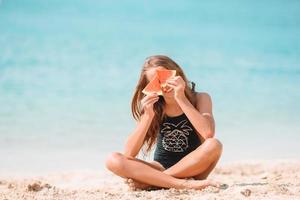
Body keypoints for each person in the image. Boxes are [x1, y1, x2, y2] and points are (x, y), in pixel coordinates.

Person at [105, 55, 223, 191]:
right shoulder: (155, 106)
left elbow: (208, 133)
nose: (164, 85)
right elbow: (129, 153)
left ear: (176, 73)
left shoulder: (201, 98)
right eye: (156, 82)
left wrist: (181, 98)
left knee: (214, 144)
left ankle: (155, 182)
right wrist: (148, 116)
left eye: (164, 77)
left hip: (194, 168)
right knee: (112, 159)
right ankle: (180, 183)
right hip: (159, 166)